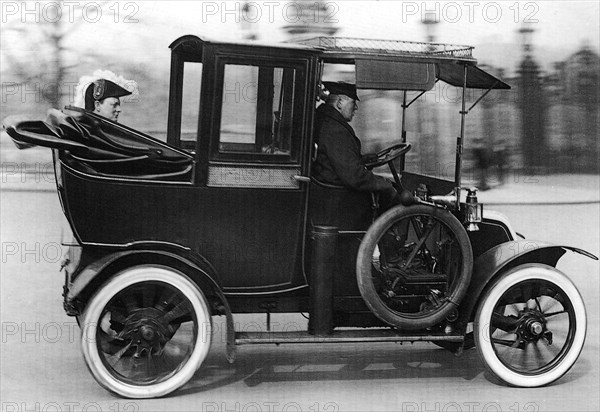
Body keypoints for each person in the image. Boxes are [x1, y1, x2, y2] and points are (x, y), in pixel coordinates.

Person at [312, 81, 399, 208]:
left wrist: (362, 160)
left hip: (332, 191)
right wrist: (385, 185)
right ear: (340, 102)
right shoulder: (336, 130)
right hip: (339, 199)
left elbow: (338, 161)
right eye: (353, 102)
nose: (356, 108)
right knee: (389, 190)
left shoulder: (327, 122)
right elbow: (354, 177)